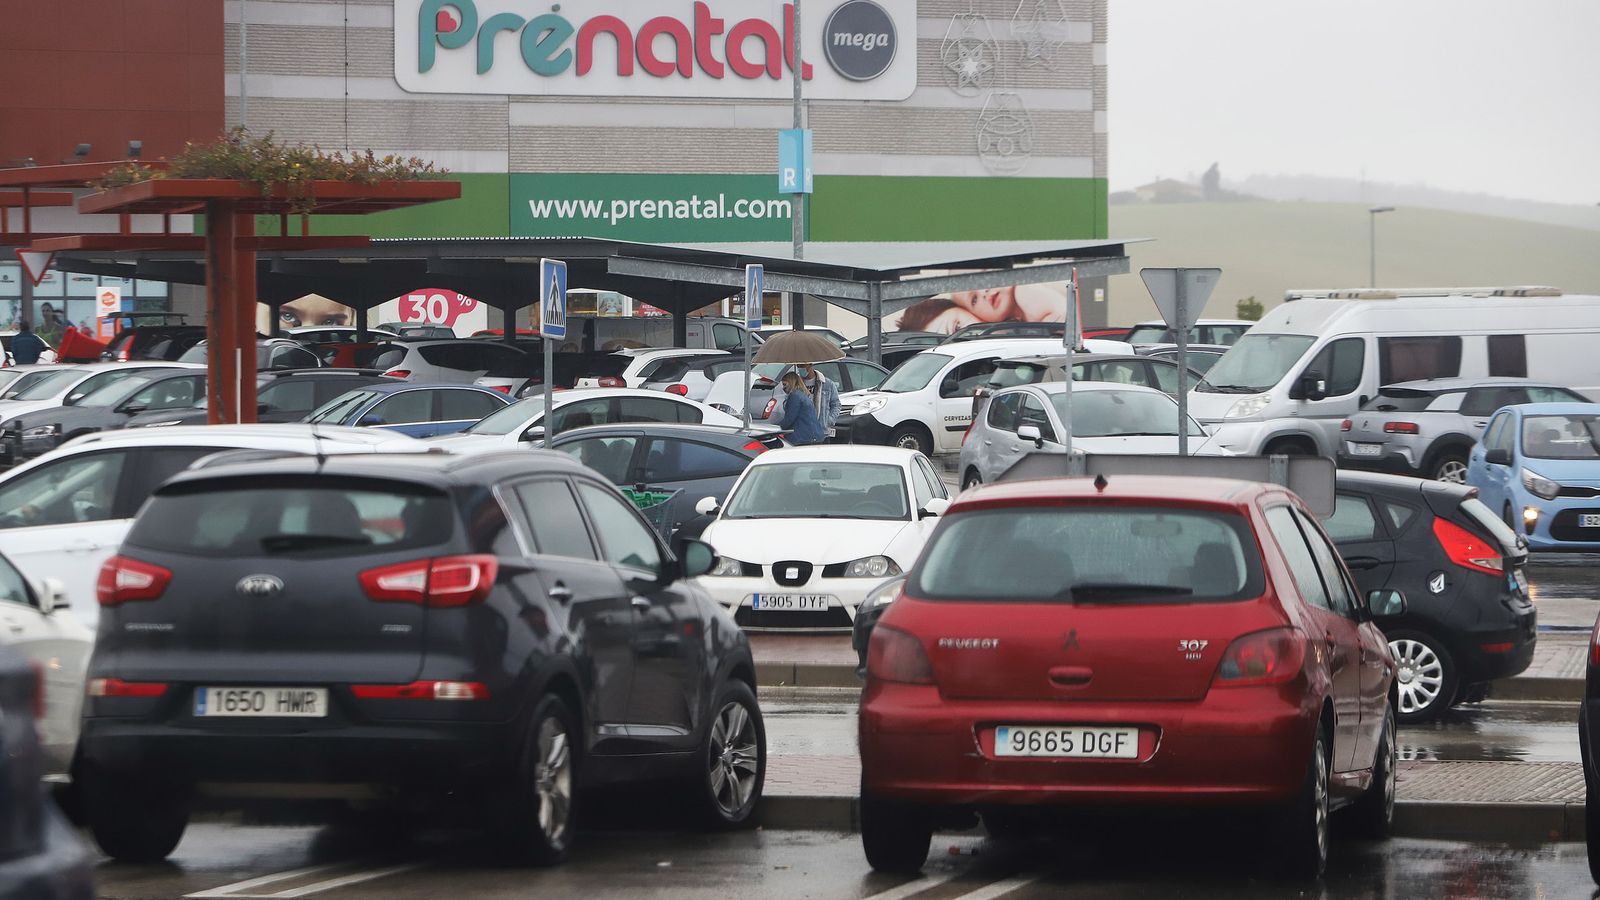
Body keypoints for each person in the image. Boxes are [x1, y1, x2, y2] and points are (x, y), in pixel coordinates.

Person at [775, 372, 826, 445]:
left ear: (791, 382)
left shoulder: (794, 396)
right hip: (813, 435)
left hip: (803, 436)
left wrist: (775, 428)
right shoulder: (802, 395)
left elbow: (789, 419)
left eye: (784, 384)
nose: (783, 388)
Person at [800, 362, 842, 438]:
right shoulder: (797, 384)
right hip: (803, 431)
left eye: (802, 365)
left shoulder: (827, 384)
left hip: (822, 431)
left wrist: (829, 420)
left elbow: (836, 405)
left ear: (810, 365)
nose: (800, 368)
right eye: (798, 366)